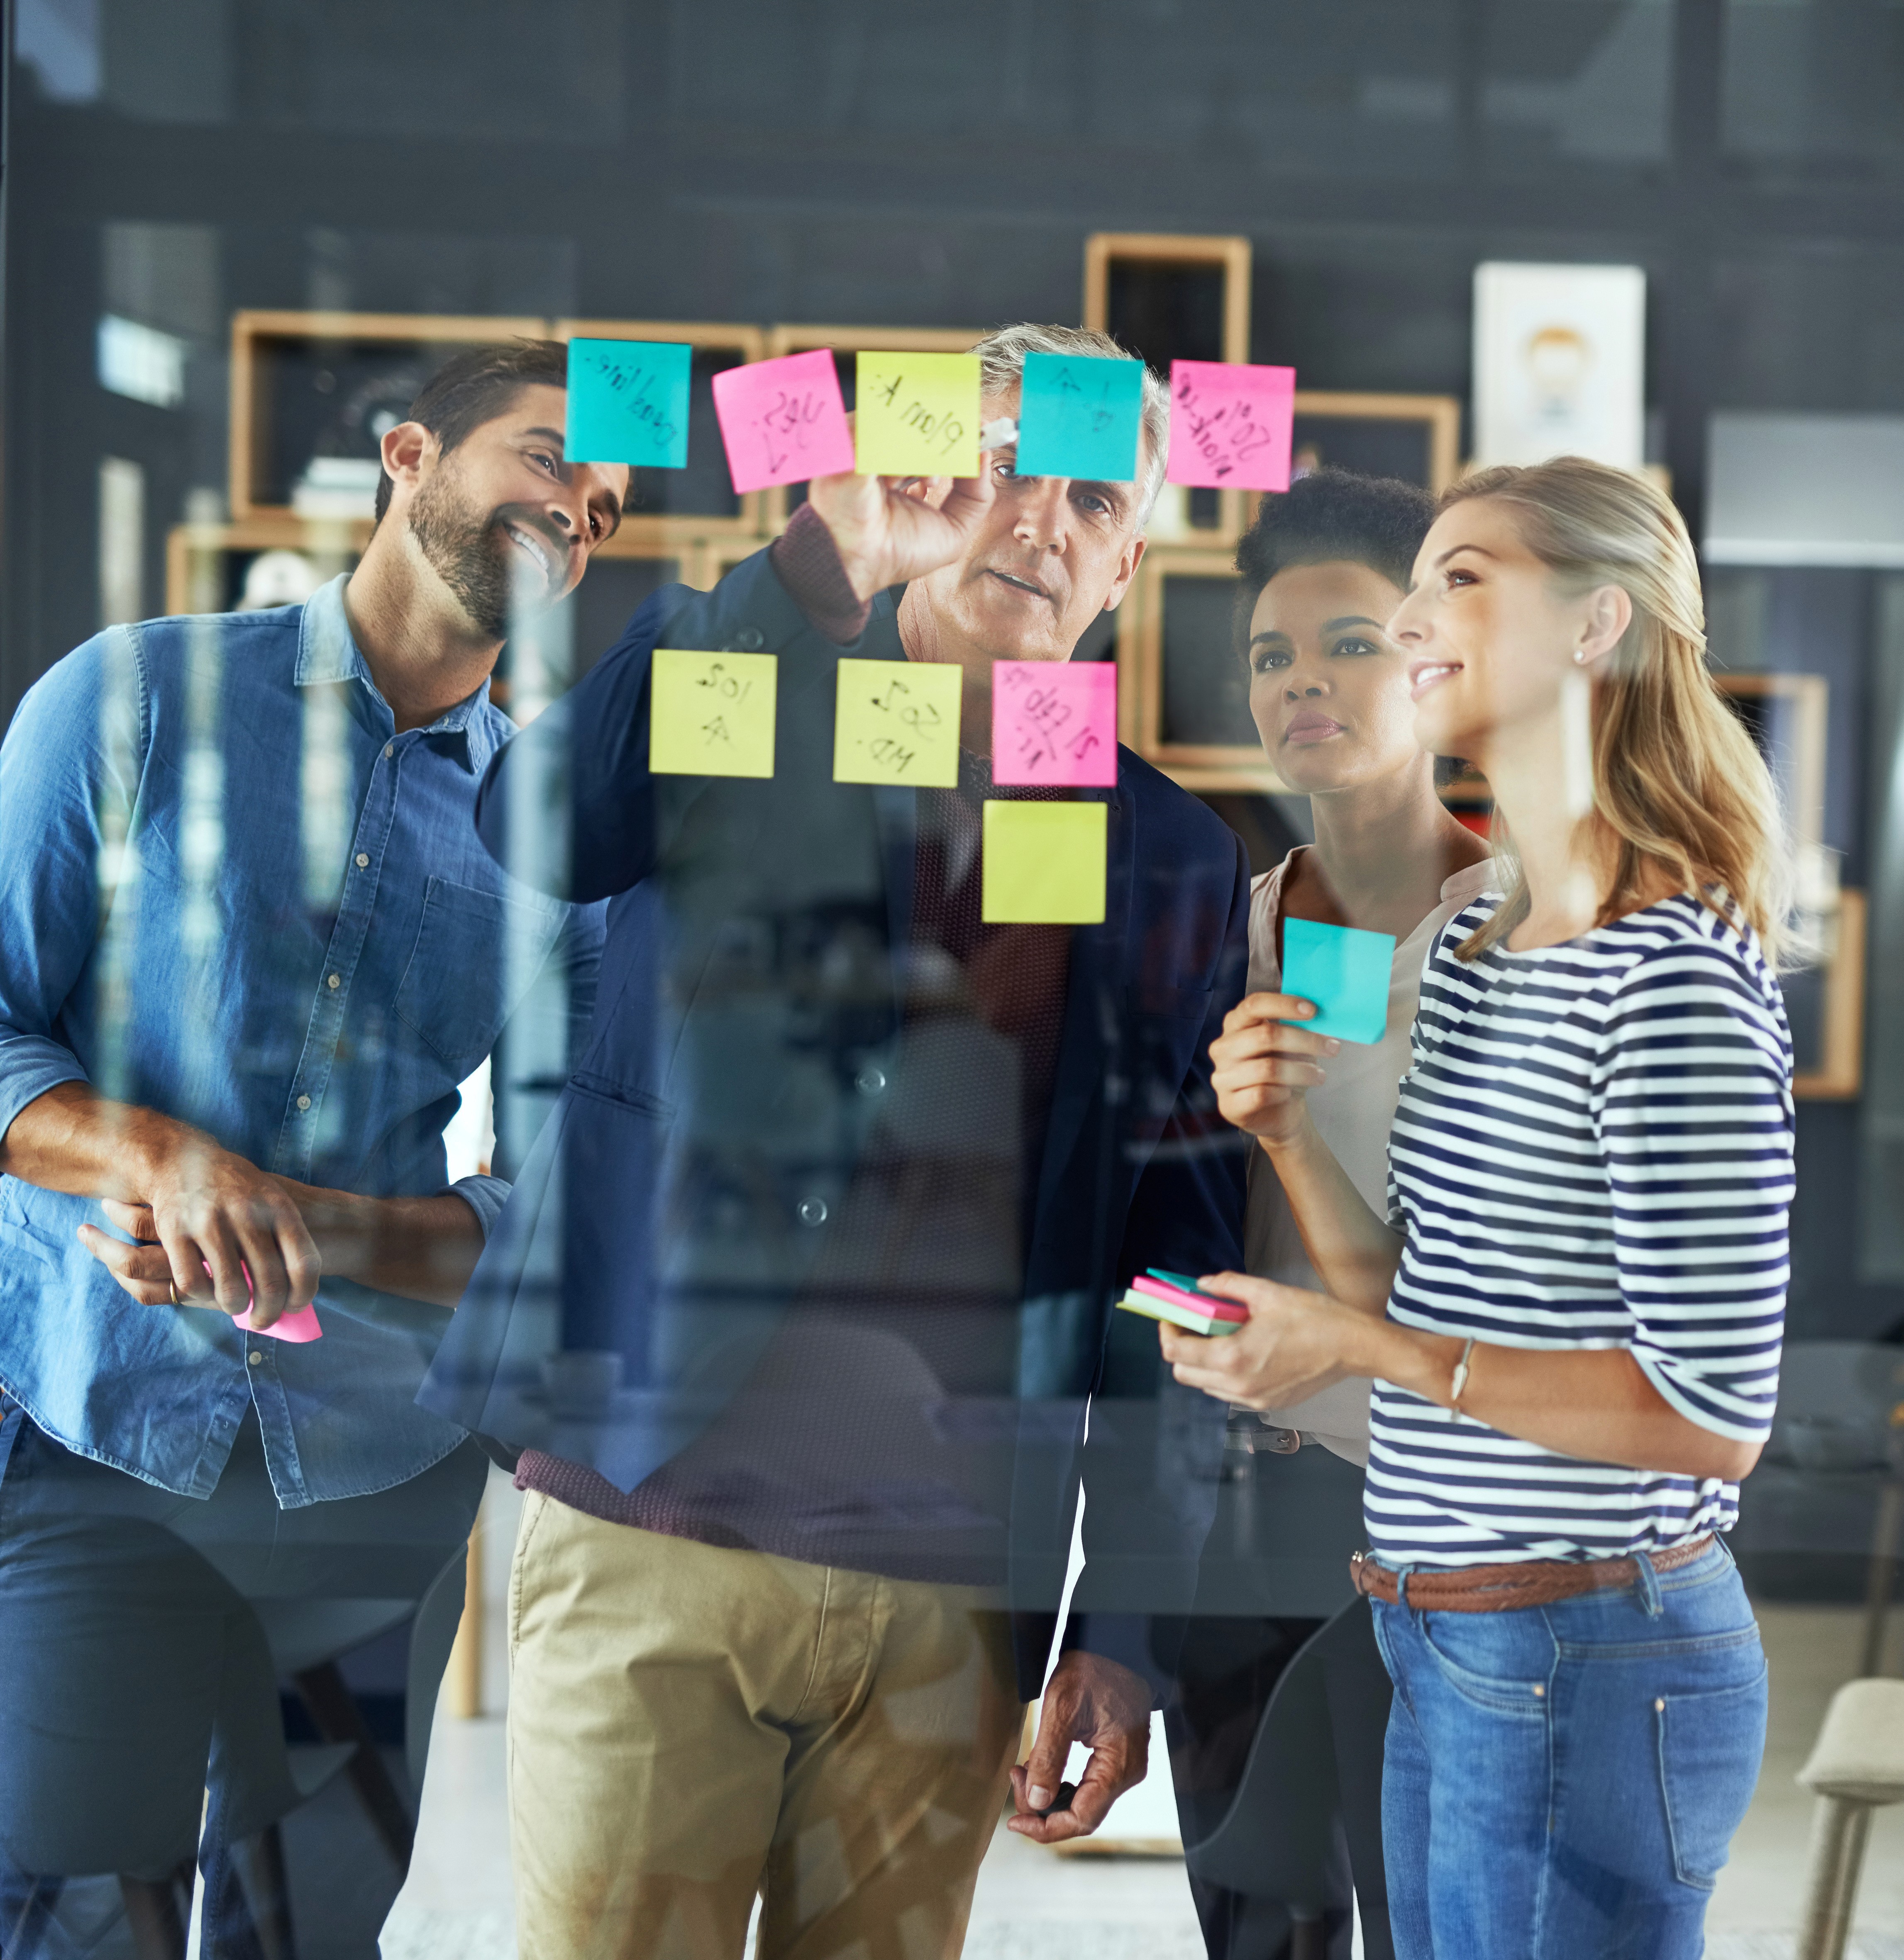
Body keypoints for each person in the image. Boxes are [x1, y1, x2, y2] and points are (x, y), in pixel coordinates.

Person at [417, 322, 1252, 1959]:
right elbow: (551, 825)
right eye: (1007, 471)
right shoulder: (751, 687)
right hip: (655, 1516)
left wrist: (1133, 1626)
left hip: (950, 1598)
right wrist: (823, 559)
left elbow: (1176, 1250)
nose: (1037, 524)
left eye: (1092, 499)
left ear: (1131, 555)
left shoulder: (1161, 845)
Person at [0, 340, 625, 1956]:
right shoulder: (129, 694)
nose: (573, 510)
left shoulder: (562, 838)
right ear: (409, 454)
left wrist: (317, 1228)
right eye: (546, 458)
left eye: (605, 500)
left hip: (371, 1466)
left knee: (307, 1933)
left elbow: (557, 1210)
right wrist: (153, 1154)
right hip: (92, 1426)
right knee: (71, 1916)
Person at [1169, 456, 1793, 1958]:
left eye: (1460, 577)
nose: (1411, 614)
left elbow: (1709, 1416)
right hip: (1436, 1624)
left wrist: (1352, 1348)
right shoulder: (1477, 957)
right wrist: (1288, 1141)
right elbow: (1411, 1295)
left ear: (1593, 625)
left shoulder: (1675, 973)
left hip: (1593, 1640)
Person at [1167, 472, 1490, 1960]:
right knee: (1256, 1925)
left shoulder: (1530, 932)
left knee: (1439, 1911)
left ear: (1433, 654)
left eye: (1350, 641)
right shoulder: (1212, 928)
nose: (1303, 680)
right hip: (1241, 1501)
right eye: (1271, 654)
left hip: (1454, 1509)